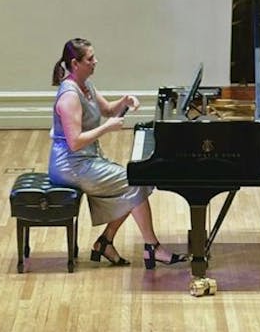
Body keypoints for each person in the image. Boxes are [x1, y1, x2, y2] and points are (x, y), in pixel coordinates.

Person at [49, 38, 186, 268]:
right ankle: (151, 247)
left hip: (86, 159)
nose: (96, 62)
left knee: (137, 181)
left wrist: (125, 100)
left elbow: (107, 109)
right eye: (90, 59)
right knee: (135, 181)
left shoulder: (86, 85)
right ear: (75, 63)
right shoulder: (70, 96)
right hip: (71, 166)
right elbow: (74, 143)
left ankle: (106, 242)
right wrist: (106, 128)